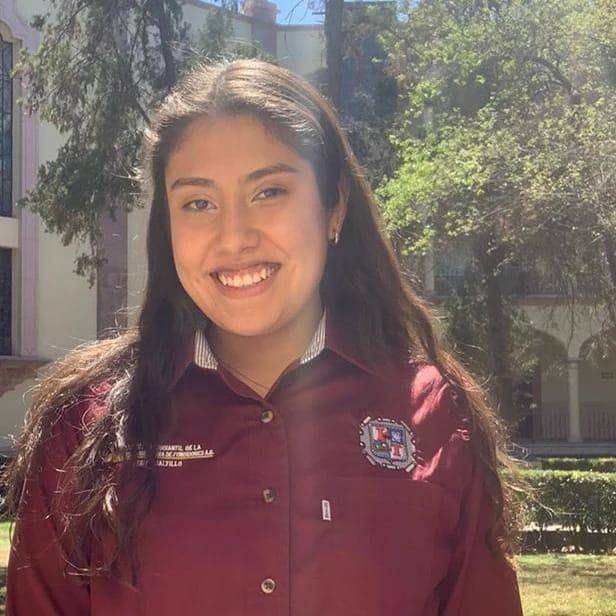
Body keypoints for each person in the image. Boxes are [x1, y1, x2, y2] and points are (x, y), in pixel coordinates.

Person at [3, 58, 524, 615]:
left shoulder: (434, 414)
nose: (234, 238)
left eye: (269, 192)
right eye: (198, 203)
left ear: (334, 207)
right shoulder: (85, 427)